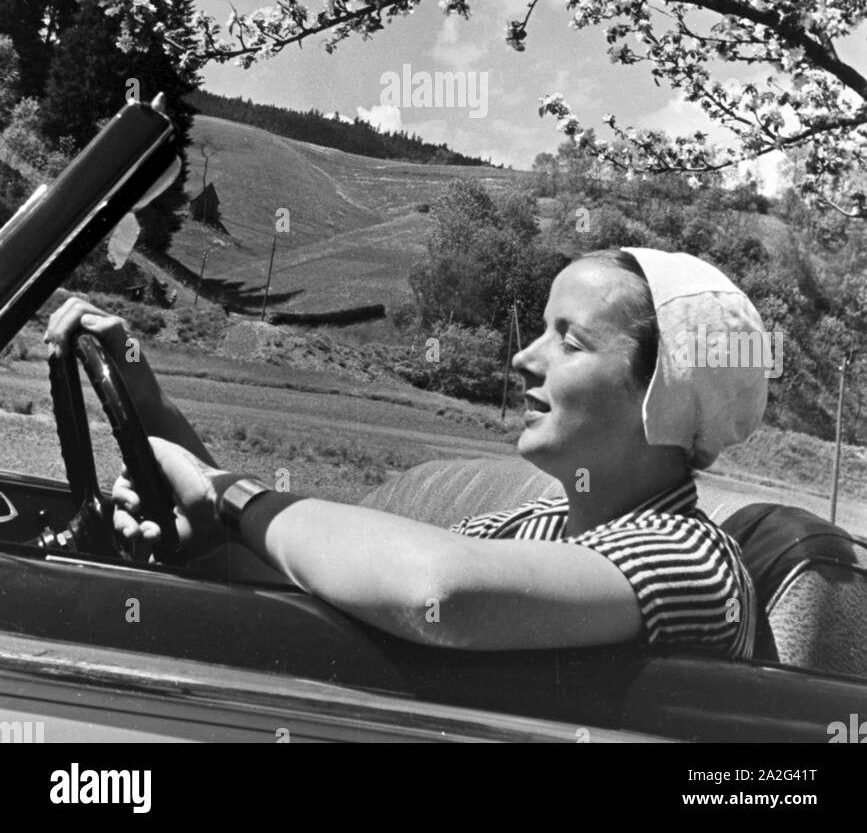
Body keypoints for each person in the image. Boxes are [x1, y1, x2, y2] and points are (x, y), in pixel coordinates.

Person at [45, 246, 768, 656]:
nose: (521, 356)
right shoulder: (531, 529)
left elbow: (435, 597)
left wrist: (231, 496)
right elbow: (326, 575)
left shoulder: (690, 557)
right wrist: (156, 415)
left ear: (664, 393)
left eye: (567, 340)